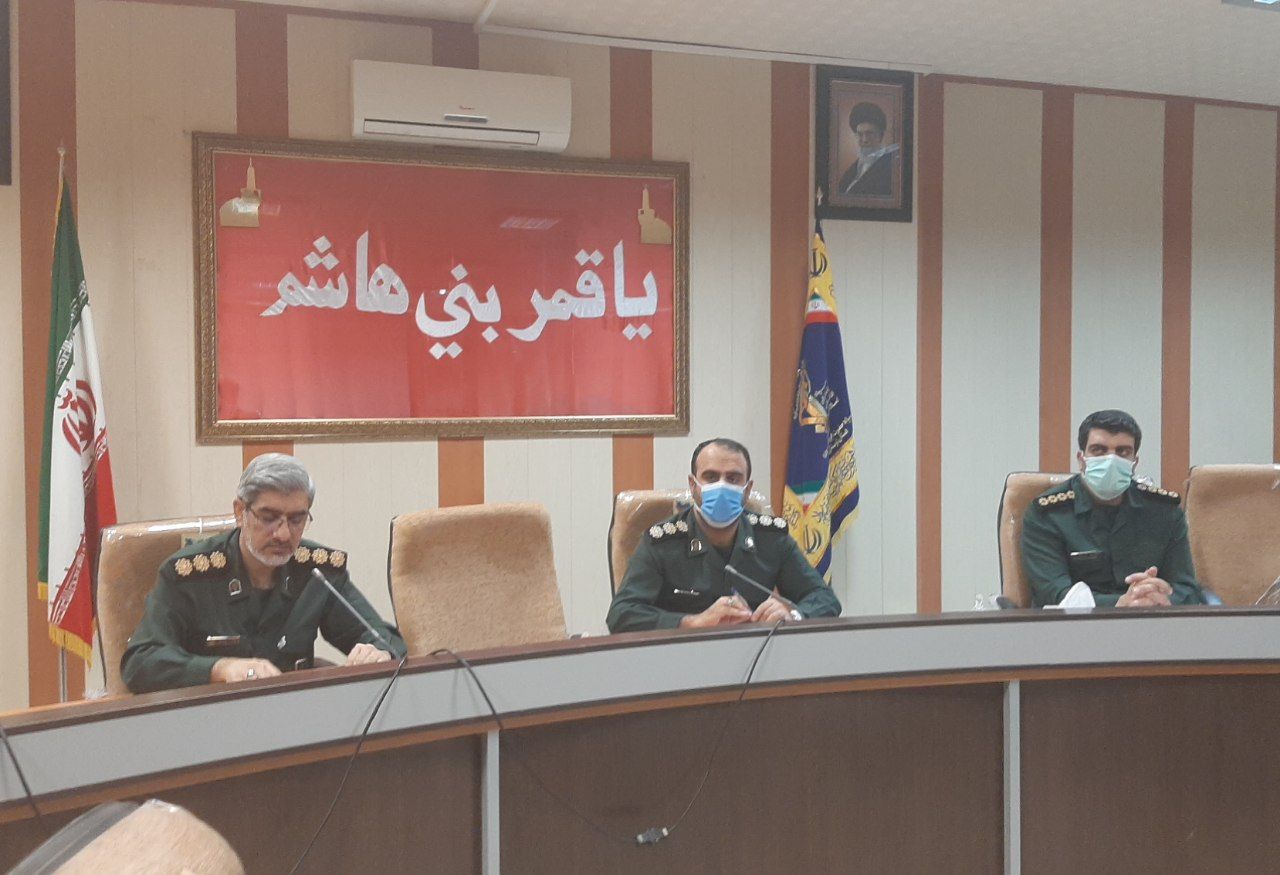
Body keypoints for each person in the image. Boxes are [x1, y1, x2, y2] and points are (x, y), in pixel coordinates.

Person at [121, 453, 406, 693]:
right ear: (240, 512)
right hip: (210, 722)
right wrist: (219, 669)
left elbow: (386, 639)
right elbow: (141, 662)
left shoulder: (316, 571)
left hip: (295, 720)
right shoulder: (191, 574)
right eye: (269, 518)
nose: (283, 534)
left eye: (296, 520)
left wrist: (378, 652)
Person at [606, 438, 842, 632]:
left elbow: (824, 598)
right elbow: (621, 614)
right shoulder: (662, 541)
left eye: (733, 478)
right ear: (693, 485)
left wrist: (793, 616)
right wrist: (693, 622)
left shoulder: (770, 537)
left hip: (753, 658)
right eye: (710, 477)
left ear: (747, 489)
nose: (722, 486)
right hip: (682, 659)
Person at [1020, 409, 1207, 608]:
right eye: (1099, 450)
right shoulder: (1048, 514)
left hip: (1150, 620)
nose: (1111, 459)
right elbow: (1053, 593)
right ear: (1081, 459)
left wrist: (1161, 597)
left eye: (1122, 452)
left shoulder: (1164, 512)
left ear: (1134, 462)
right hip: (1076, 624)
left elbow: (1186, 589)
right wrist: (1121, 603)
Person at [836, 102, 900, 198]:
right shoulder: (852, 169)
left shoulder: (892, 167)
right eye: (860, 134)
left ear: (880, 136)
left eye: (869, 133)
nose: (865, 140)